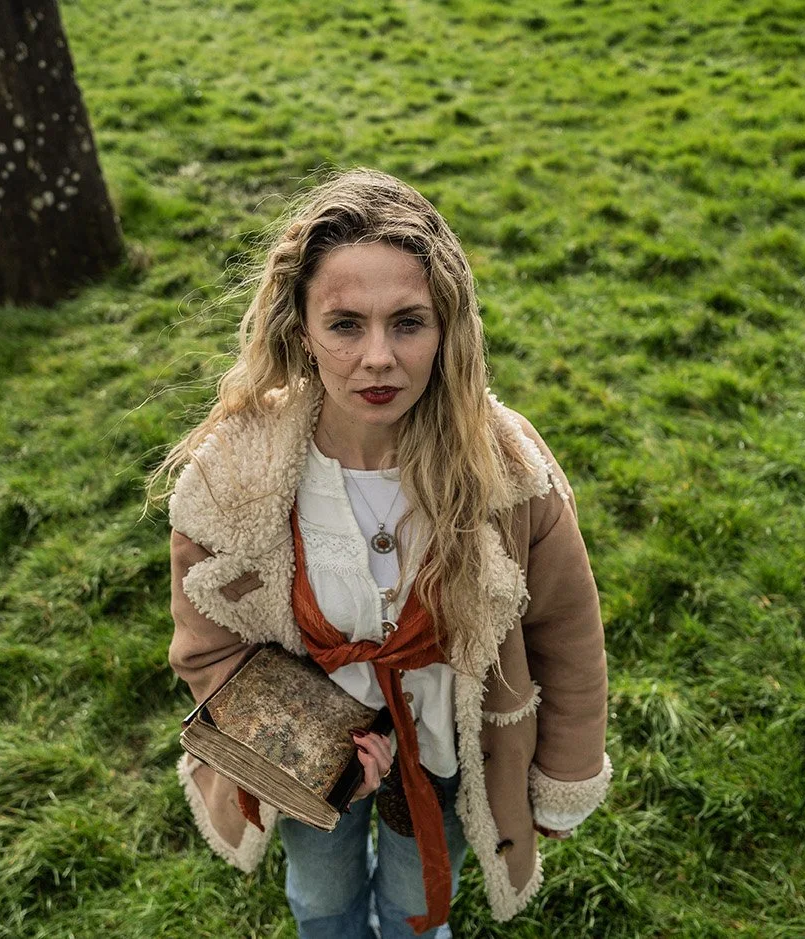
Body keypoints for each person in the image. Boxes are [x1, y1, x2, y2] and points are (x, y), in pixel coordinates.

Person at [148, 167, 611, 938]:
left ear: (447, 328)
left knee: (417, 906)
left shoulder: (506, 471)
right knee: (322, 902)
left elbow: (567, 635)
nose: (377, 358)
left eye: (407, 322)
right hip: (309, 771)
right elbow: (207, 645)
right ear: (301, 329)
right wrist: (317, 750)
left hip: (455, 755)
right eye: (345, 324)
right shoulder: (235, 475)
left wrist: (561, 778)